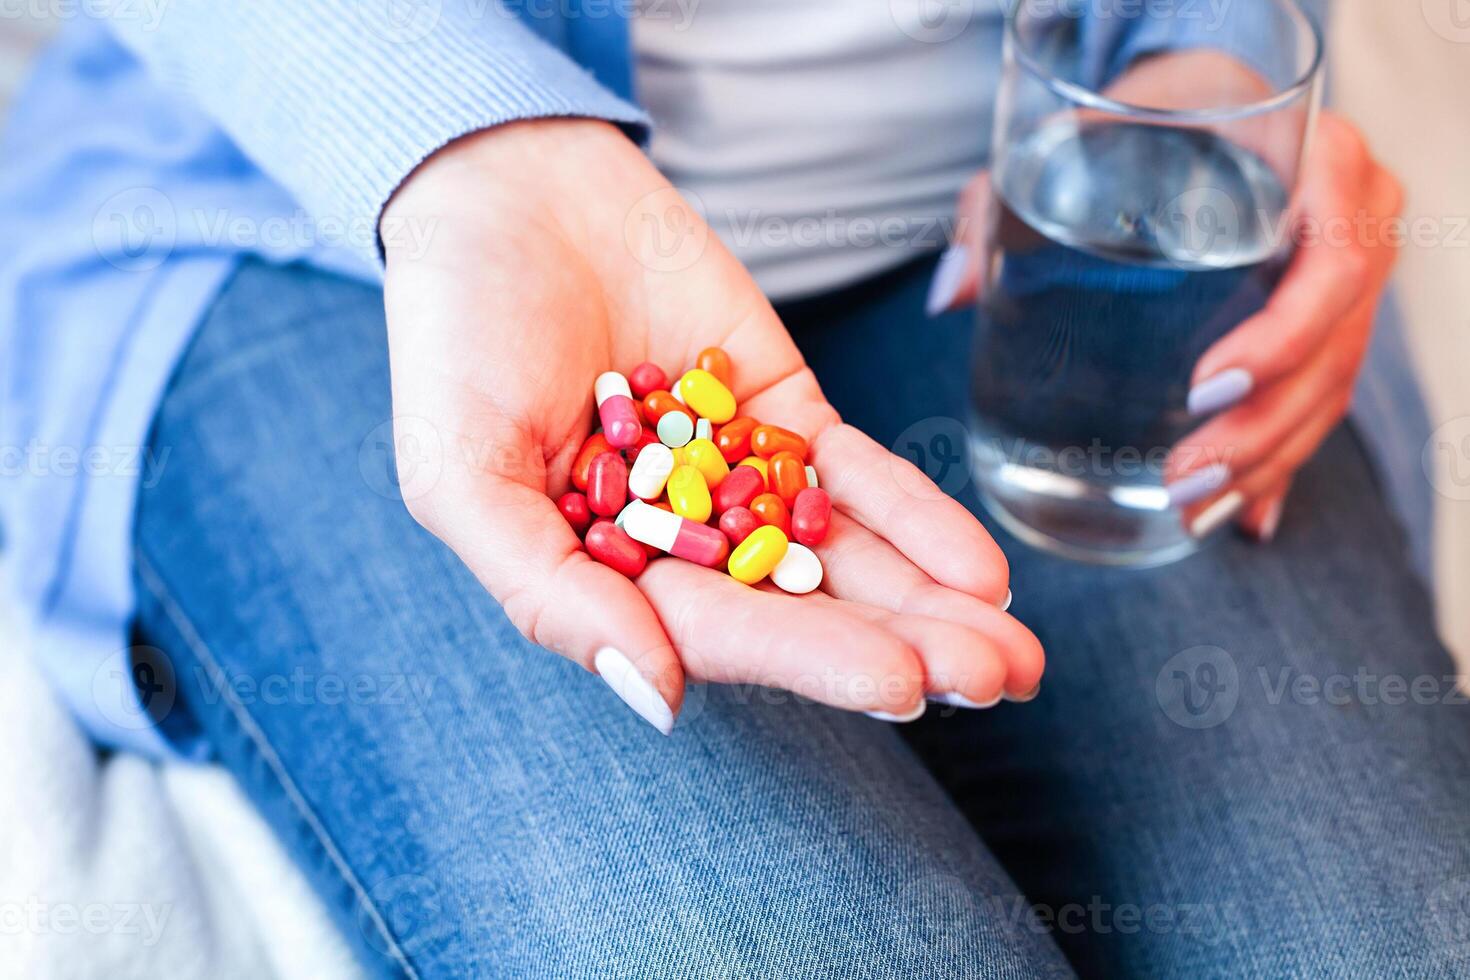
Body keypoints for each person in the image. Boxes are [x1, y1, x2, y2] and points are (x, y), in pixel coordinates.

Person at [1, 1, 1464, 977]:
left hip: (1001, 198)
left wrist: (1199, 64)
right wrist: (459, 143)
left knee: (1374, 946)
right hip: (331, 196)